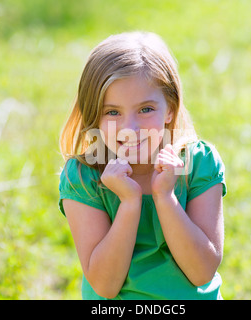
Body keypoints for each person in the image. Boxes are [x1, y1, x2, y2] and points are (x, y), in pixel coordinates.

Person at [58, 31, 227, 299]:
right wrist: (129, 203)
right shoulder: (84, 176)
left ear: (170, 108)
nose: (130, 129)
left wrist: (165, 196)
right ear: (95, 116)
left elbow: (202, 271)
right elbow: (105, 285)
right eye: (112, 112)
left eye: (146, 109)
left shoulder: (198, 164)